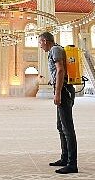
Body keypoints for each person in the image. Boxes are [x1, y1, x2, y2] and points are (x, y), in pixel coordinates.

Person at [38, 32, 78, 174]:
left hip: (64, 91)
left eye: (40, 43)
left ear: (44, 40)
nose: (40, 46)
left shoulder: (55, 49)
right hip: (63, 89)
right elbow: (59, 72)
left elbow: (60, 70)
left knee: (67, 128)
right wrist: (53, 81)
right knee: (60, 126)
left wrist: (57, 93)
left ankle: (72, 164)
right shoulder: (56, 49)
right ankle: (65, 157)